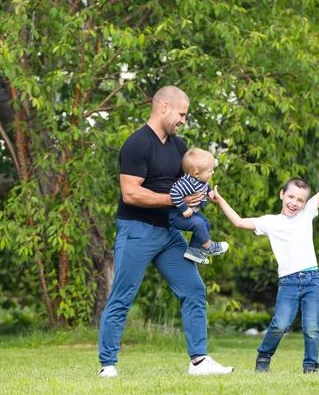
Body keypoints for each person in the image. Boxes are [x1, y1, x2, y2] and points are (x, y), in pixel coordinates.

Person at [98, 86, 234, 377]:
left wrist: (205, 193)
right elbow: (131, 194)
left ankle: (199, 361)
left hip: (168, 230)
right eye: (181, 114)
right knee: (123, 296)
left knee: (194, 289)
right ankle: (107, 366)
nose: (183, 120)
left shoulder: (178, 146)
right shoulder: (137, 144)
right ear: (164, 108)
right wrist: (177, 201)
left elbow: (189, 184)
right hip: (137, 229)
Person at [209, 145, 319, 374]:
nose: (295, 202)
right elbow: (238, 222)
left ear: (305, 203)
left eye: (300, 199)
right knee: (280, 324)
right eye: (291, 196)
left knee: (312, 327)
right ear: (282, 194)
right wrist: (220, 200)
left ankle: (311, 367)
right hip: (288, 281)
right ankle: (264, 357)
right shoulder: (270, 222)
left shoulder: (307, 215)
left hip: (311, 279)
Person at [169, 148, 228, 264]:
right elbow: (174, 193)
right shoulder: (187, 184)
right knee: (199, 223)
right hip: (176, 216)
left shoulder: (199, 178)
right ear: (196, 173)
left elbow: (204, 184)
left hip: (190, 213)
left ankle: (193, 251)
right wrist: (184, 208)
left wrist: (209, 191)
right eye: (210, 171)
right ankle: (209, 247)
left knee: (205, 224)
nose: (212, 173)